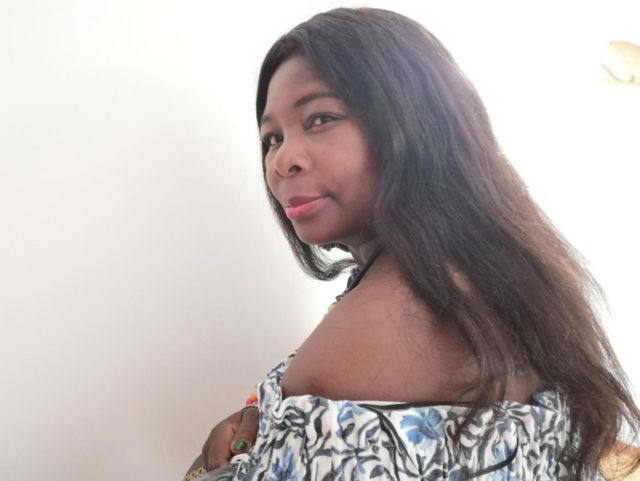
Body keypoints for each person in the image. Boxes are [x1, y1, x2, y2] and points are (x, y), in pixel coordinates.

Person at [184, 7, 640, 481]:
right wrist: (264, 421)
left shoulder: (381, 327)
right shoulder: (490, 275)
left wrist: (214, 468)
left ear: (418, 121)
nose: (282, 161)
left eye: (320, 118)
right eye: (272, 138)